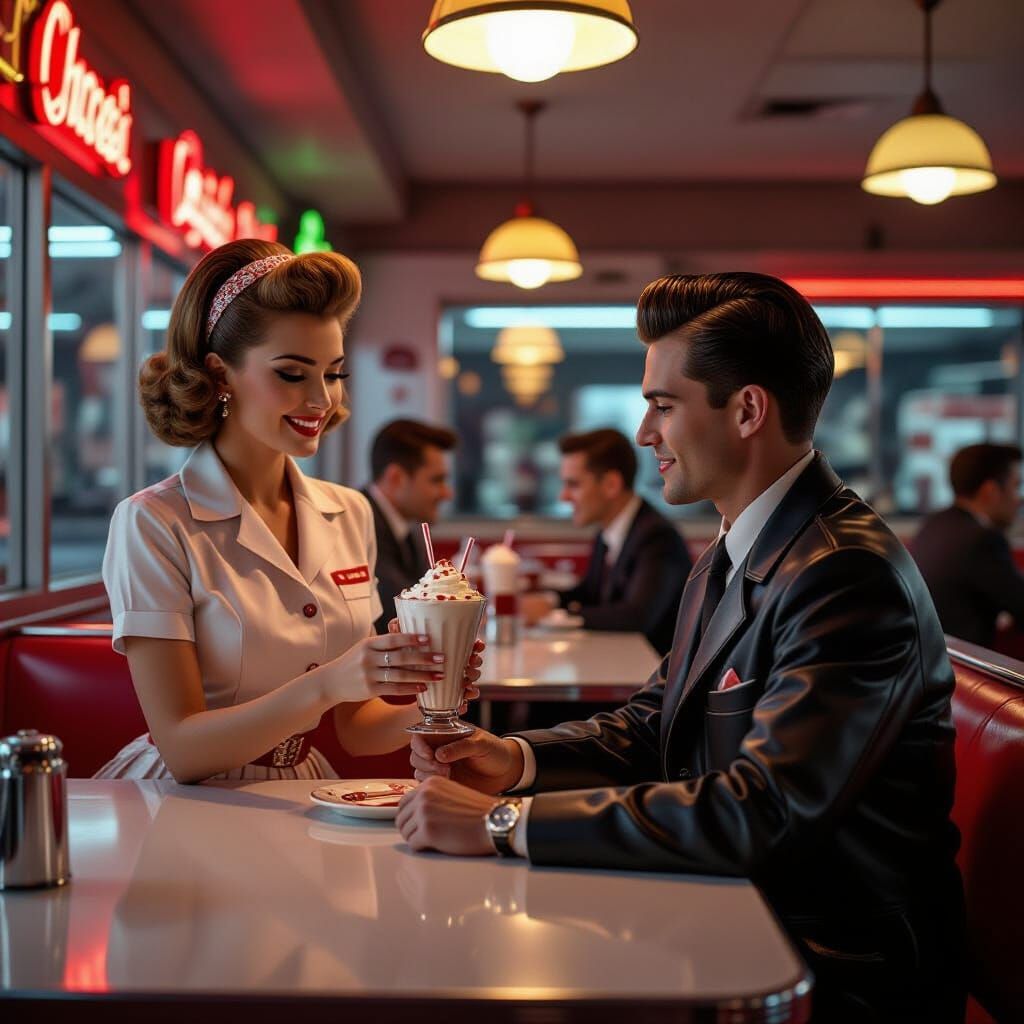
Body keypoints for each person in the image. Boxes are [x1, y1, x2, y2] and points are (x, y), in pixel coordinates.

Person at [397, 272, 965, 1023]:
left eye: (662, 405)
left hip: (832, 968)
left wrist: (502, 824)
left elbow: (764, 811)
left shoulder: (844, 573)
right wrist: (514, 759)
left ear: (747, 411)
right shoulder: (734, 547)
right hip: (740, 912)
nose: (644, 433)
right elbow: (651, 721)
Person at [96, 239, 482, 783]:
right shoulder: (153, 523)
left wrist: (437, 702)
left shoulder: (350, 512)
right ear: (220, 373)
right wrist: (329, 682)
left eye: (334, 374)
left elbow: (357, 729)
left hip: (301, 783)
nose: (323, 400)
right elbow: (183, 748)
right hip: (180, 800)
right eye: (293, 374)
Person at [519, 429, 691, 655]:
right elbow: (590, 591)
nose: (563, 497)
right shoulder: (608, 530)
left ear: (611, 484)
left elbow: (637, 616)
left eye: (574, 485)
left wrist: (556, 613)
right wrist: (548, 600)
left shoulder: (657, 537)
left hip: (655, 676)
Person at [912, 442, 1024, 648]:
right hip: (962, 671)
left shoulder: (933, 524)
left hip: (930, 660)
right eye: (1016, 486)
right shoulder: (982, 540)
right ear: (990, 491)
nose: (1020, 499)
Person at [362, 419, 457, 633]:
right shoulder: (359, 521)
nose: (447, 493)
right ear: (396, 478)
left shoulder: (408, 529)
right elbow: (400, 609)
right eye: (437, 480)